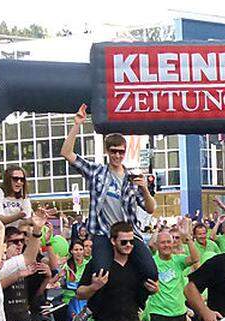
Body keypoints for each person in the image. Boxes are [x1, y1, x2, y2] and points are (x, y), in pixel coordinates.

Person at [60, 104, 158, 282]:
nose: (117, 156)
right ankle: (91, 292)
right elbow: (66, 153)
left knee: (151, 274)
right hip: (104, 232)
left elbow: (151, 209)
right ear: (107, 151)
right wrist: (77, 124)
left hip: (129, 233)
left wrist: (144, 188)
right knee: (101, 274)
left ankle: (137, 305)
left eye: (121, 152)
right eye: (113, 151)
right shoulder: (96, 172)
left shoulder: (131, 178)